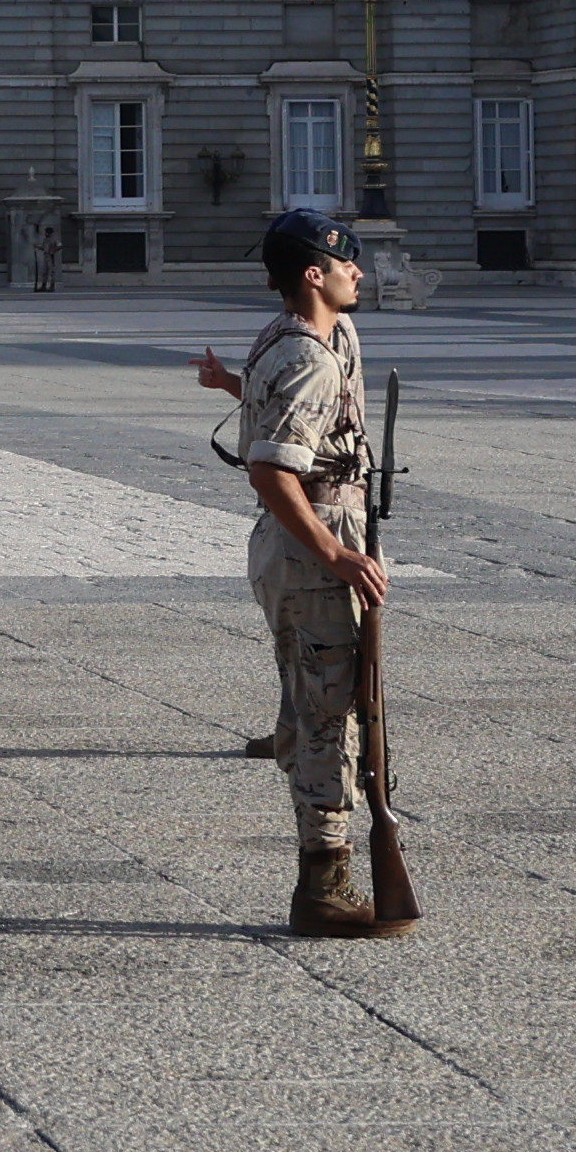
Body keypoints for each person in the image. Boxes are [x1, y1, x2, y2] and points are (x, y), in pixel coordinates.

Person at [194, 210, 392, 937]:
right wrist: (336, 554)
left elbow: (276, 404)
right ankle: (325, 882)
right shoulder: (308, 353)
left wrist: (228, 384)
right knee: (329, 715)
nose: (358, 273)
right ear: (316, 274)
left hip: (301, 541)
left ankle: (297, 758)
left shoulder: (301, 336)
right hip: (314, 541)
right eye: (346, 264)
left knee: (321, 692)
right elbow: (272, 471)